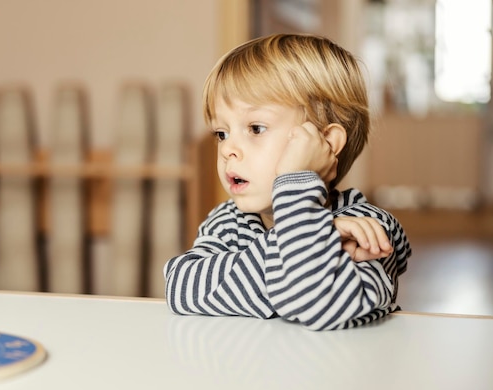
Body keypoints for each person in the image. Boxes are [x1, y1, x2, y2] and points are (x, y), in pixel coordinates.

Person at [164, 33, 411, 330]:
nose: (227, 149)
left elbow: (317, 303)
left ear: (325, 143)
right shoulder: (231, 221)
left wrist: (296, 189)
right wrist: (314, 240)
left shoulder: (364, 227)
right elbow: (181, 287)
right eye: (221, 133)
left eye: (256, 128)